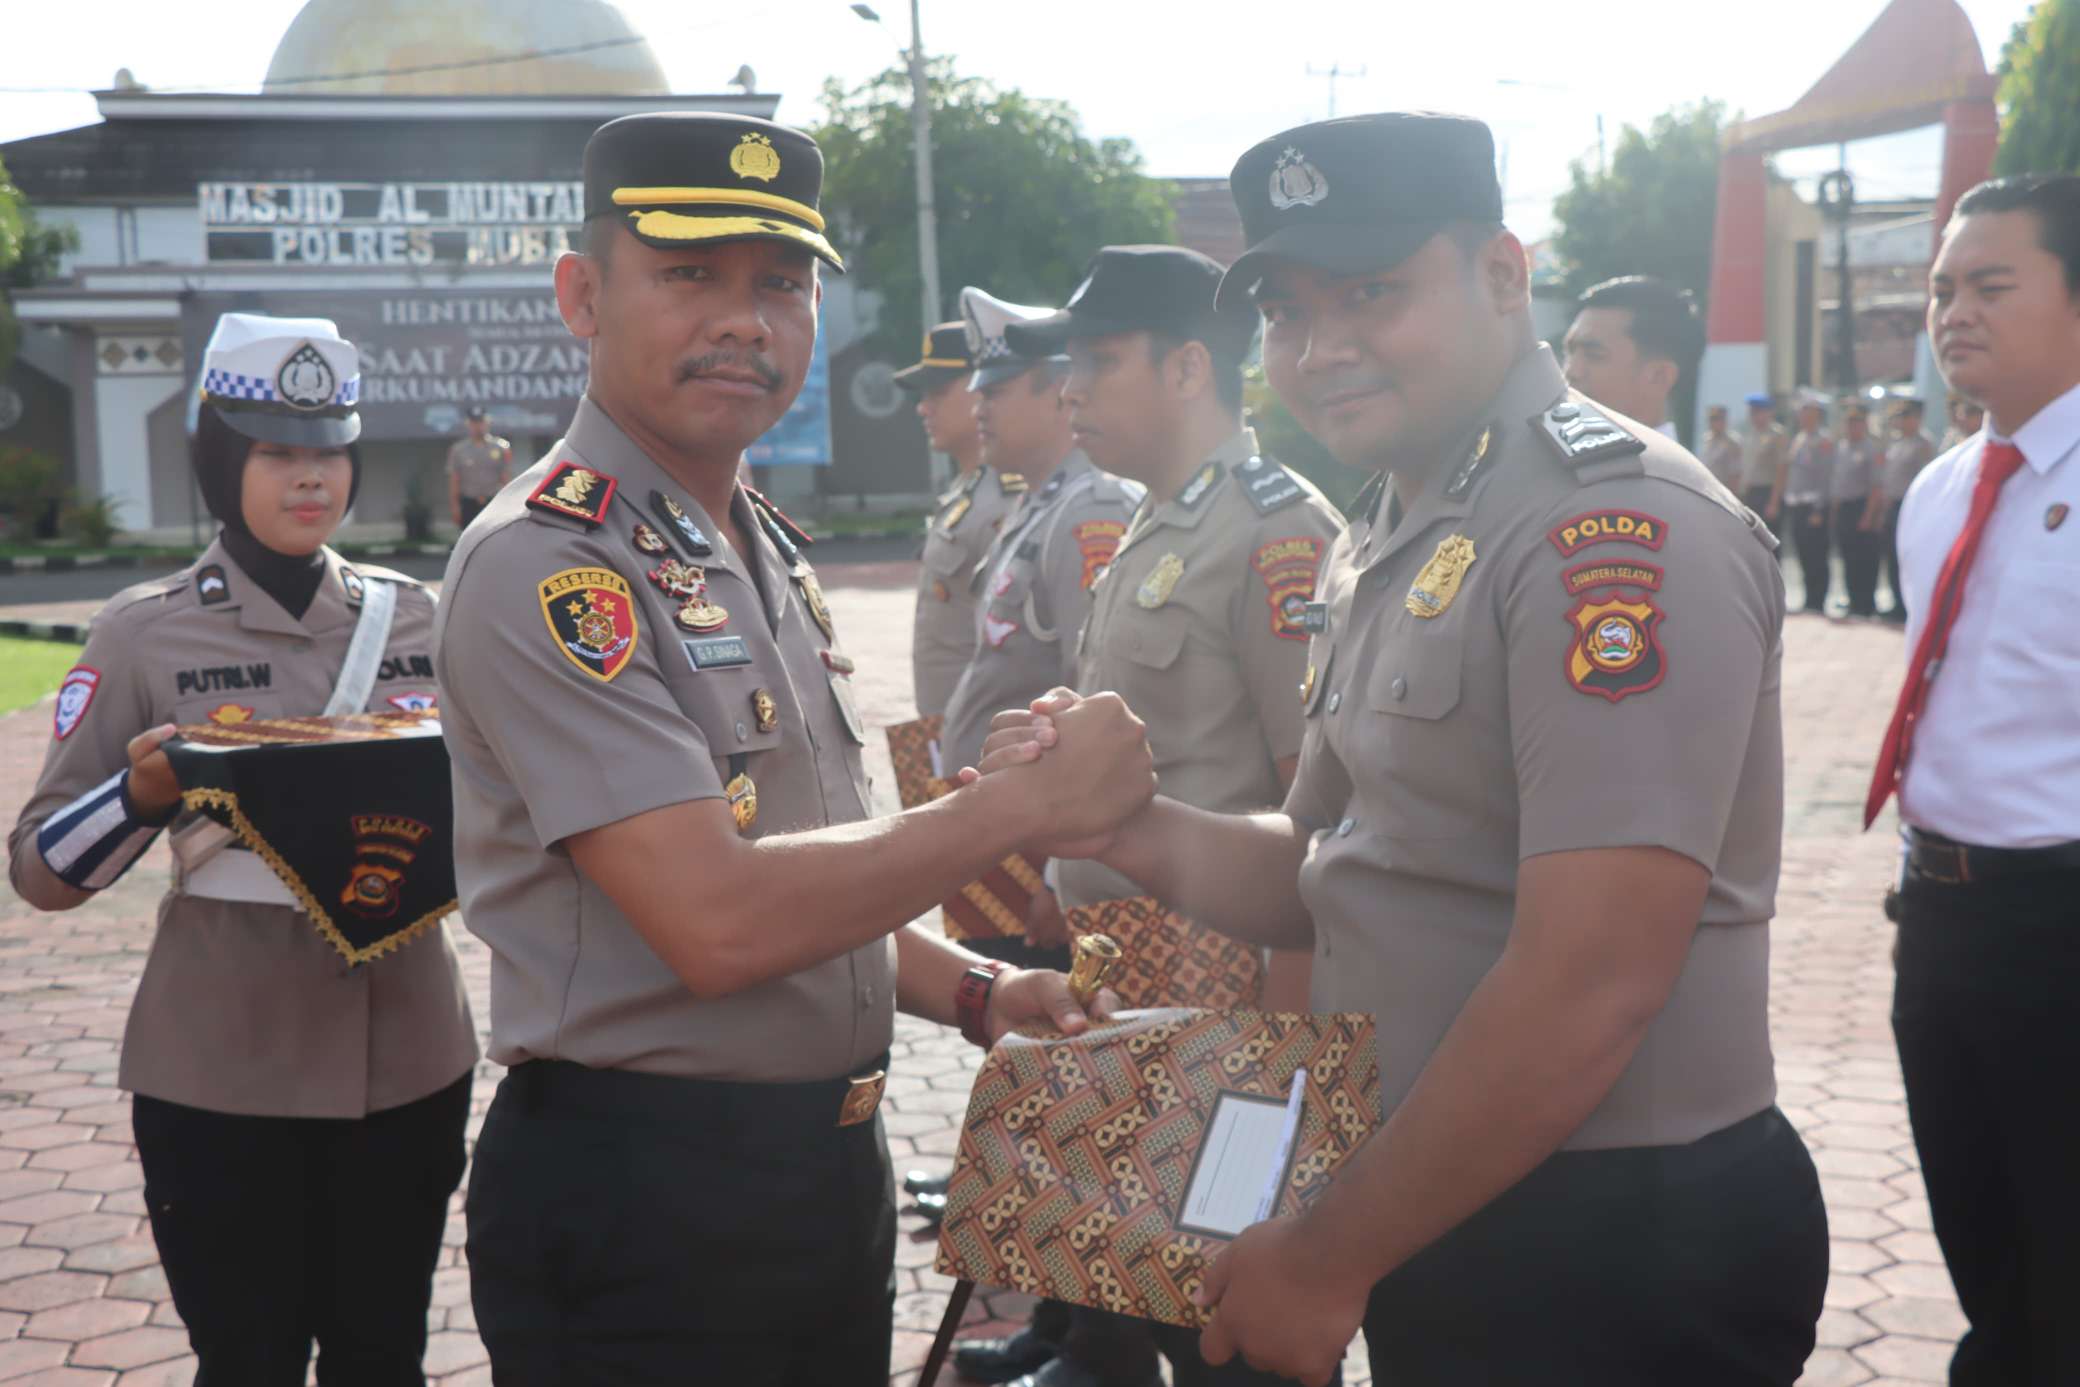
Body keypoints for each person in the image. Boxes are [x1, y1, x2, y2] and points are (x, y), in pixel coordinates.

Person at [972, 111, 1826, 1386]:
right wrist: (1122, 825)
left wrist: (1323, 1256)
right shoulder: (1396, 523)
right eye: (1287, 311)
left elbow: (1591, 978)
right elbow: (1330, 865)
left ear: (1501, 274)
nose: (1322, 347)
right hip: (1441, 1194)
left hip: (1612, 1233)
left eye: (1371, 292)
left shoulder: (1609, 528)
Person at [434, 112, 1143, 1385]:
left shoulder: (746, 539)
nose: (745, 320)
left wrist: (975, 991)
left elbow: (811, 873)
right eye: (690, 276)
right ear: (582, 295)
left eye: (780, 284)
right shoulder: (551, 561)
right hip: (651, 1199)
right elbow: (721, 920)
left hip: (813, 1172)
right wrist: (1020, 808)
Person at [9, 312, 478, 1384]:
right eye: (277, 451)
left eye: (328, 452)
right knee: (248, 1362)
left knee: (383, 1357)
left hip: (405, 1056)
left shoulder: (423, 619)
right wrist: (143, 791)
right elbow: (39, 869)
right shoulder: (146, 630)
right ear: (225, 460)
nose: (309, 478)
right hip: (220, 1064)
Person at [958, 244, 1346, 1387]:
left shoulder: (1276, 532)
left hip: (1232, 993)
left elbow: (1308, 821)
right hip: (1134, 974)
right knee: (1147, 1301)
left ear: (1187, 367)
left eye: (1099, 360)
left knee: (1233, 1338)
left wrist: (1284, 1090)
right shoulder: (1155, 518)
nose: (1070, 385)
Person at [1866, 171, 2080, 1387]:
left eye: (1992, 285)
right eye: (1942, 288)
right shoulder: (1942, 487)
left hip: (2062, 918)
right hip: (1938, 912)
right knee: (1981, 1234)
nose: (1953, 311)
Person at [899, 320, 1024, 720]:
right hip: (941, 729)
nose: (923, 406)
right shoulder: (965, 489)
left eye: (938, 391)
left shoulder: (1009, 499)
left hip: (985, 736)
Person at [1561, 274, 1706, 440]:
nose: (1571, 371)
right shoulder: (1549, 454)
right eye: (1569, 352)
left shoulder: (1665, 465)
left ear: (1659, 376)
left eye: (1594, 355)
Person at [1869, 398, 1936, 622]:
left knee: (1908, 557)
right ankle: (1896, 602)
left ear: (1916, 419)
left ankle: (1909, 606)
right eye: (1900, 417)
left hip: (1910, 506)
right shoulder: (1896, 443)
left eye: (1906, 417)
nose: (1901, 421)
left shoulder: (1923, 444)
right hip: (1891, 505)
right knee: (1891, 555)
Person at [1830, 402, 1884, 618]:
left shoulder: (1871, 449)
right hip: (1844, 507)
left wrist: (1868, 515)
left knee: (1866, 558)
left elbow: (1876, 486)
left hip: (1863, 506)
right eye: (1849, 423)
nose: (1852, 428)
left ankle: (1866, 602)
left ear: (1864, 425)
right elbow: (1837, 482)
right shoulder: (1842, 447)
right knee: (1847, 555)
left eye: (1857, 423)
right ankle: (1852, 599)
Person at [1783, 399, 1837, 612]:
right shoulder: (1799, 438)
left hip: (1814, 505)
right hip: (1797, 503)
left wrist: (1818, 508)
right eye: (1801, 413)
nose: (1803, 417)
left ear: (1817, 416)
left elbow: (1825, 476)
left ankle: (1818, 599)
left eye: (1808, 413)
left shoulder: (1823, 441)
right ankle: (1809, 597)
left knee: (1817, 554)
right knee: (1802, 552)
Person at [446, 404, 511, 532]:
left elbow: (506, 478)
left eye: (481, 422)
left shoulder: (501, 447)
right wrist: (455, 506)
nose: (478, 426)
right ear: (468, 424)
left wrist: (508, 503)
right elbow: (454, 480)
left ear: (487, 422)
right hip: (468, 502)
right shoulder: (458, 450)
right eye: (474, 423)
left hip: (493, 502)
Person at [1738, 391, 1790, 535]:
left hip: (1768, 491)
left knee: (1769, 539)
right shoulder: (1750, 434)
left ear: (1768, 412)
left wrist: (1774, 502)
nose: (1754, 415)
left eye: (1758, 411)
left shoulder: (1777, 434)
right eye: (1752, 411)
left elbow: (1782, 469)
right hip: (1751, 492)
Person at [1700, 403, 1742, 489]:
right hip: (1707, 487)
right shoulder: (1707, 438)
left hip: (1723, 489)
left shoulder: (1732, 442)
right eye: (1711, 419)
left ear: (1724, 421)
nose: (1713, 422)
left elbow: (1735, 473)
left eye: (1717, 419)